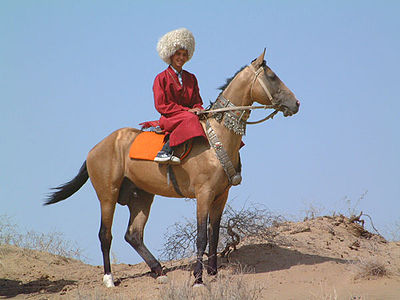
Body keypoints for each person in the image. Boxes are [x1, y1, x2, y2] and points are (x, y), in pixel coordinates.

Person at [153, 28, 206, 164]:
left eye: (184, 54)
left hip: (190, 116)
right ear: (171, 54)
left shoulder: (192, 78)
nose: (181, 58)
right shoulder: (161, 78)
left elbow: (197, 101)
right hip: (169, 118)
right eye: (178, 54)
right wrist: (187, 111)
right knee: (190, 118)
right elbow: (161, 106)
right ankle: (165, 150)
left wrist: (199, 109)